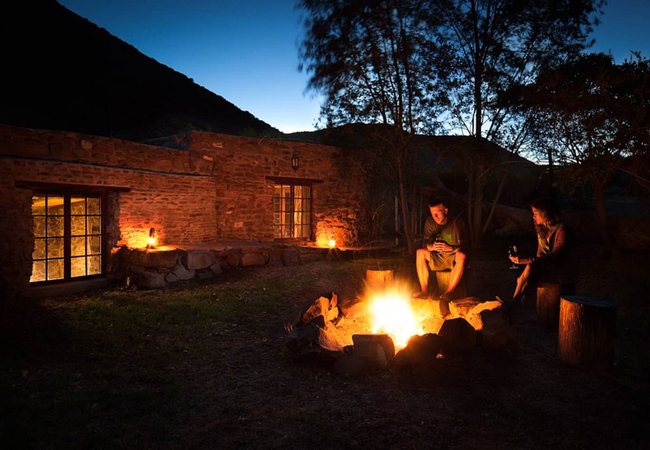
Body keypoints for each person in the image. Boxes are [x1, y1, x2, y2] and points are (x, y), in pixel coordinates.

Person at [509, 198, 571, 303]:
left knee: (528, 271)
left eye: (536, 213)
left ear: (546, 213)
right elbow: (540, 256)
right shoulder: (543, 230)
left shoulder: (562, 230)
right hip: (549, 268)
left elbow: (556, 256)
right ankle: (517, 303)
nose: (533, 216)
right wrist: (526, 259)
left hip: (562, 271)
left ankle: (514, 303)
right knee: (522, 278)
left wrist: (526, 260)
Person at [413, 197, 468, 300]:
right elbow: (425, 243)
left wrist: (451, 248)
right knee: (420, 252)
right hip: (437, 256)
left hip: (452, 257)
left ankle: (449, 292)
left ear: (445, 211)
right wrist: (431, 247)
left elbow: (465, 246)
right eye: (432, 214)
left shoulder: (457, 223)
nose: (435, 217)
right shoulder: (430, 222)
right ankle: (424, 290)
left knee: (461, 255)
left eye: (437, 213)